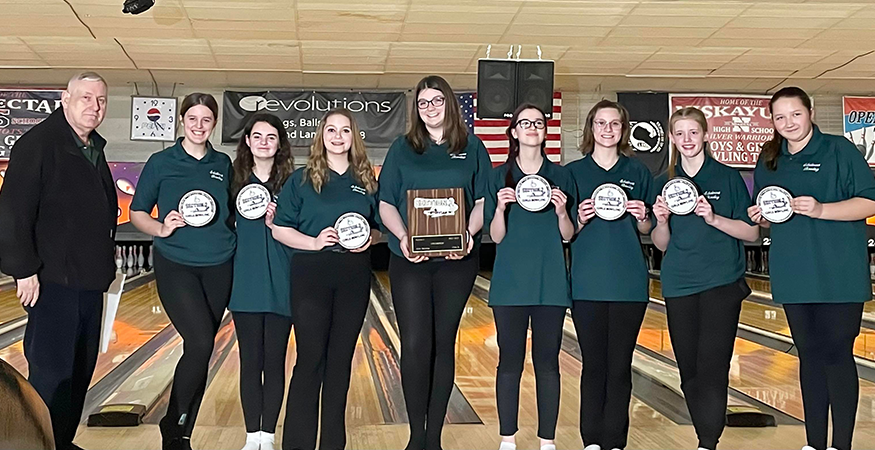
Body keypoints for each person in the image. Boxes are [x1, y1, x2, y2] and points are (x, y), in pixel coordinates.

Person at [748, 86, 875, 450]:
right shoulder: (770, 158)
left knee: (837, 355)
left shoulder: (839, 150)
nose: (788, 122)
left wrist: (821, 209)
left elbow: (869, 201)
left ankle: (843, 444)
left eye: (795, 114)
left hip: (839, 274)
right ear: (772, 121)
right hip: (794, 273)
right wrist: (762, 217)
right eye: (780, 117)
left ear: (811, 112)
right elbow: (772, 216)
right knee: (808, 357)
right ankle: (815, 443)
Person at [0, 71, 115, 450]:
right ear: (65, 99)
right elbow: (13, 212)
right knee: (52, 373)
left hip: (87, 280)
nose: (93, 107)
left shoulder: (92, 147)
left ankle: (60, 441)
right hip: (52, 280)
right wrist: (24, 270)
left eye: (100, 100)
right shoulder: (39, 144)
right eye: (85, 98)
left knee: (80, 372)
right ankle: (41, 444)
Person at [378, 75, 492, 450]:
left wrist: (468, 236)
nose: (430, 108)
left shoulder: (472, 147)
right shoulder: (402, 147)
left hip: (456, 260)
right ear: (416, 110)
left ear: (450, 105)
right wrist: (404, 237)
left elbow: (480, 202)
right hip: (409, 258)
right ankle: (416, 436)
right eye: (423, 103)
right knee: (414, 343)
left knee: (443, 341)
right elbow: (386, 203)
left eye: (436, 101)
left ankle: (434, 439)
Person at [130, 93, 236, 450]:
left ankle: (182, 430)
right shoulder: (161, 162)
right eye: (193, 118)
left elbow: (234, 213)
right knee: (201, 340)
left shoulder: (223, 163)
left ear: (214, 123)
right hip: (176, 263)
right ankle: (172, 424)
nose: (199, 125)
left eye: (206, 119)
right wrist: (161, 228)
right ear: (181, 121)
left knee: (201, 351)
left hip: (220, 264)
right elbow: (138, 212)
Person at [651, 107, 759, 450]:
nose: (687, 140)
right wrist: (662, 221)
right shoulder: (663, 183)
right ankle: (705, 433)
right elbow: (661, 243)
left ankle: (707, 441)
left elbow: (752, 232)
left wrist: (714, 219)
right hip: (679, 283)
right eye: (680, 134)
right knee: (688, 370)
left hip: (721, 283)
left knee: (712, 365)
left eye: (693, 133)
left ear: (706, 135)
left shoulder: (727, 178)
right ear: (671, 138)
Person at [273, 109, 380, 450]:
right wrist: (314, 242)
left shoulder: (367, 181)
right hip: (311, 273)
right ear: (321, 136)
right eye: (330, 130)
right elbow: (280, 229)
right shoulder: (302, 179)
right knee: (310, 359)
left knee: (340, 363)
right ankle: (297, 444)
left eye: (345, 130)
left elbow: (381, 228)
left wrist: (371, 239)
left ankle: (333, 443)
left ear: (353, 137)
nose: (337, 136)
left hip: (352, 275)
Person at [484, 104, 575, 450]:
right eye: (525, 123)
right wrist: (500, 208)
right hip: (509, 284)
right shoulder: (499, 176)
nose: (532, 128)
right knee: (509, 362)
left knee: (547, 363)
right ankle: (508, 438)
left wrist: (562, 209)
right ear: (514, 132)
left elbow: (568, 235)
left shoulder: (561, 175)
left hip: (550, 281)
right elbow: (496, 236)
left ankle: (546, 440)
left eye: (538, 123)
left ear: (544, 130)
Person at [566, 100, 654, 450]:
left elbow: (649, 228)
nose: (607, 129)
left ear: (623, 129)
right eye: (600, 123)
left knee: (619, 367)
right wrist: (580, 218)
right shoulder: (573, 173)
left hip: (629, 284)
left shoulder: (638, 172)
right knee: (593, 366)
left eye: (614, 124)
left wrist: (643, 214)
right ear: (591, 129)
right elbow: (564, 232)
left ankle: (615, 441)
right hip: (587, 283)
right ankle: (591, 440)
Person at [229, 114, 295, 450]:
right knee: (250, 361)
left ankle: (267, 436)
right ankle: (250, 434)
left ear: (280, 143)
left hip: (283, 283)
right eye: (258, 136)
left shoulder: (293, 183)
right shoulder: (233, 181)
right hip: (246, 283)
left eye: (272, 136)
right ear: (248, 142)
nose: (264, 142)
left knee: (274, 362)